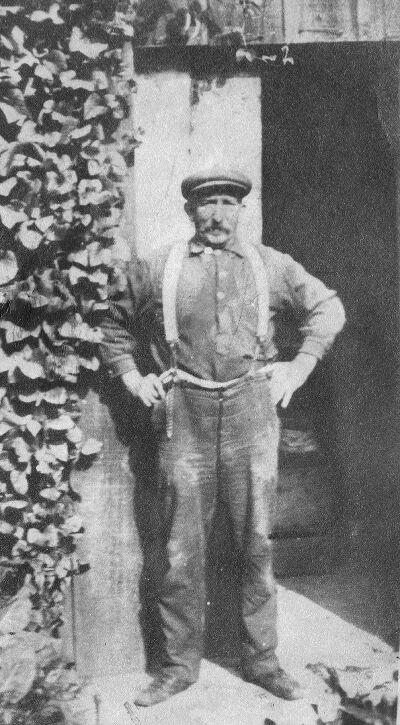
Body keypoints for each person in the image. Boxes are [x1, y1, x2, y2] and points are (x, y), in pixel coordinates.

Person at [99, 166, 346, 707]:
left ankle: (262, 661)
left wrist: (299, 367)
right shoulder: (157, 267)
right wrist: (133, 377)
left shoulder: (271, 266)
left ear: (241, 210)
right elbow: (109, 324)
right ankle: (177, 668)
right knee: (179, 547)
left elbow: (328, 308)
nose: (217, 214)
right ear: (190, 210)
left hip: (251, 411)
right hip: (182, 413)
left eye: (228, 204)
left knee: (256, 541)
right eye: (207, 204)